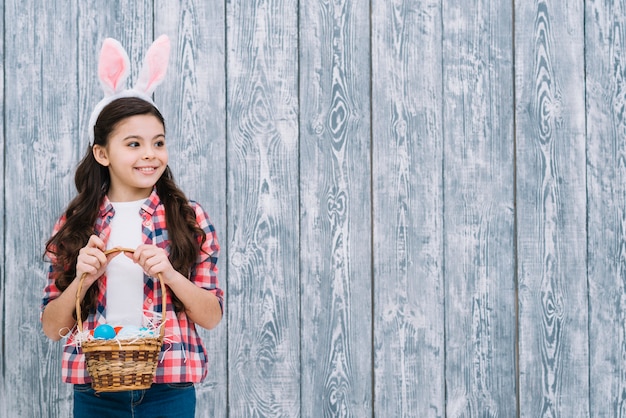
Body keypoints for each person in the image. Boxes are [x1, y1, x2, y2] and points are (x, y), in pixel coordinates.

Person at [41, 35, 223, 418]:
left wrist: (171, 274)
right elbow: (52, 328)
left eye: (158, 142)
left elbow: (211, 316)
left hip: (169, 391)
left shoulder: (188, 218)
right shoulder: (77, 225)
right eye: (134, 144)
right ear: (102, 153)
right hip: (96, 392)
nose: (150, 155)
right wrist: (83, 280)